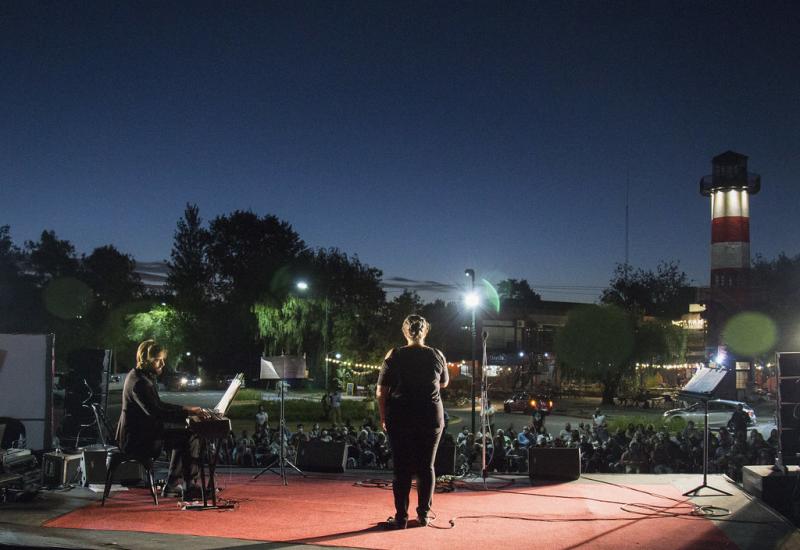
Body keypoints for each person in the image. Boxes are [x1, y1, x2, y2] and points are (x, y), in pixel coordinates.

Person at [377, 314, 449, 529]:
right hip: (431, 416)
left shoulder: (395, 354)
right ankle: (424, 515)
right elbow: (444, 383)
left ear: (404, 332)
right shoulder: (437, 354)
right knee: (427, 467)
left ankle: (401, 517)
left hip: (401, 416)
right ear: (425, 331)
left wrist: (383, 416)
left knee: (402, 468)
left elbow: (381, 391)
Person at [115, 340, 208, 499]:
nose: (163, 363)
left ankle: (174, 485)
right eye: (158, 359)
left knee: (185, 434)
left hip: (142, 432)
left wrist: (186, 409)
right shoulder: (140, 383)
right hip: (137, 440)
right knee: (189, 435)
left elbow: (159, 405)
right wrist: (187, 413)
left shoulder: (140, 376)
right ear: (146, 360)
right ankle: (185, 485)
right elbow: (157, 412)